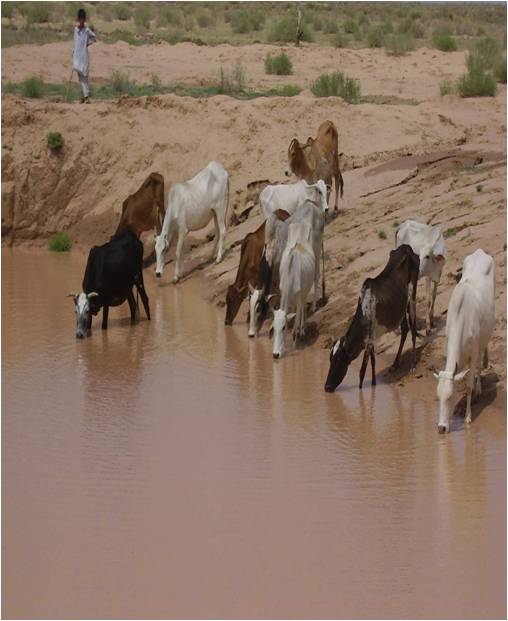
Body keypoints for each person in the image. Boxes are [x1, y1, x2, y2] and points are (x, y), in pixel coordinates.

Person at [73, 8, 96, 104]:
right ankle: (84, 97)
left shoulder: (86, 30)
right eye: (80, 19)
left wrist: (87, 43)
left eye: (83, 19)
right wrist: (73, 52)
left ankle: (86, 97)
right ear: (78, 19)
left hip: (84, 55)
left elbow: (94, 37)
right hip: (77, 55)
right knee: (80, 76)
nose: (81, 21)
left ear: (84, 19)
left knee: (85, 76)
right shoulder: (76, 30)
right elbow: (75, 42)